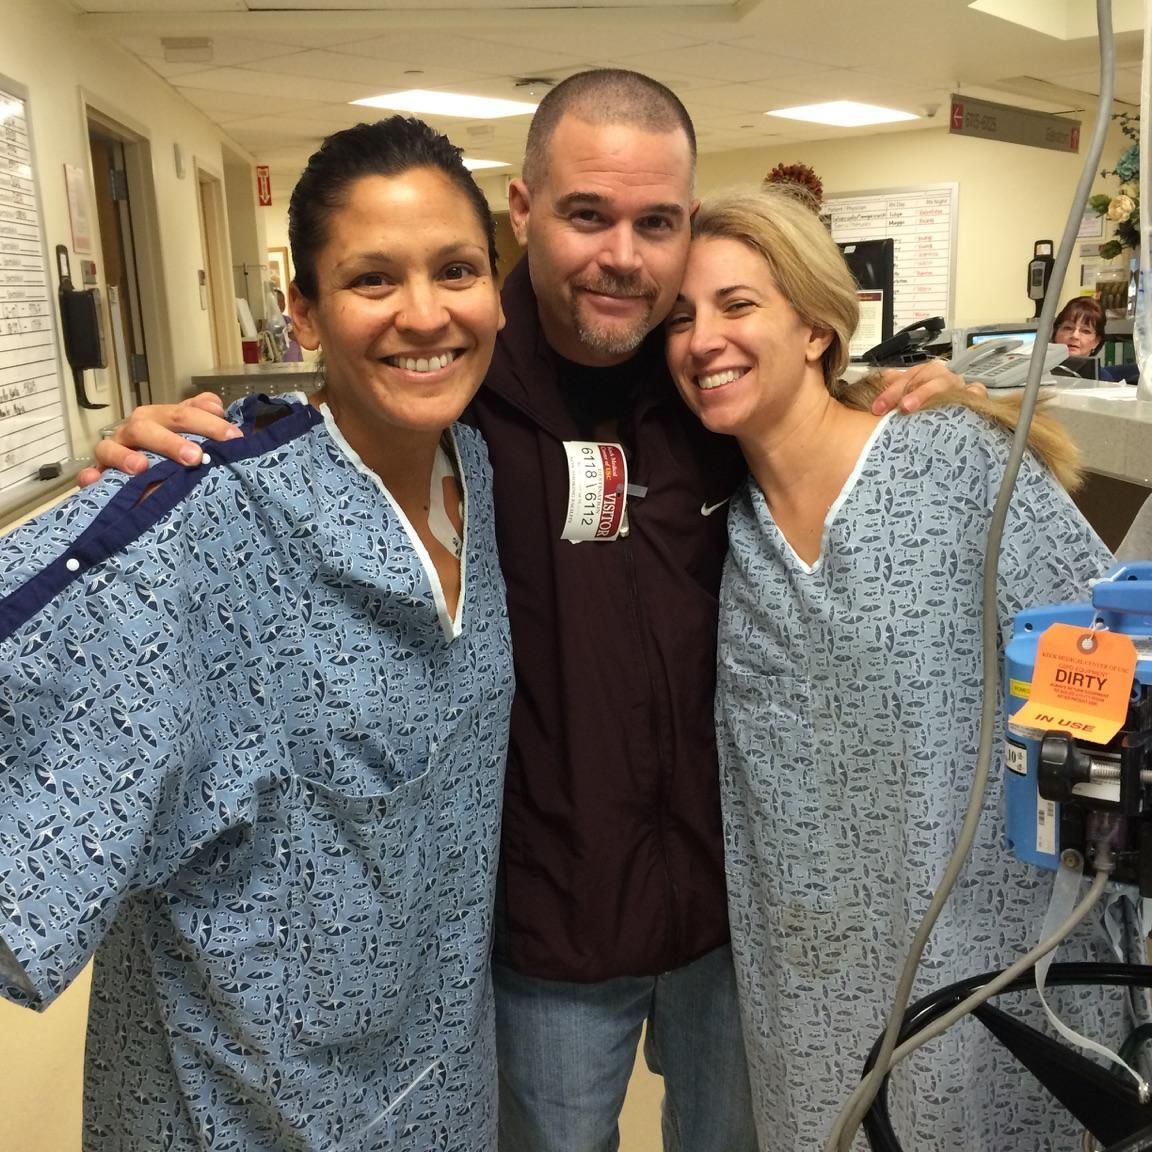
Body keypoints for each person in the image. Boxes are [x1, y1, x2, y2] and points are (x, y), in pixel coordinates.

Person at [81, 70, 968, 1152]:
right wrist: (177, 450)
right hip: (549, 932)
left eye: (658, 224)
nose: (624, 257)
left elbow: (815, 427)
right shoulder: (459, 392)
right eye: (589, 215)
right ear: (526, 212)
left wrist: (923, 397)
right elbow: (338, 430)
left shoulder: (703, 386)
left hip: (735, 915)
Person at [0, 116, 512, 1152]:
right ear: (305, 312)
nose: (425, 313)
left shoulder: (479, 474)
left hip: (438, 1084)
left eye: (456, 269)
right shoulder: (201, 525)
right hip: (231, 1109)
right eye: (373, 279)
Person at [664, 184, 1140, 1150]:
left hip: (987, 959)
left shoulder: (956, 463)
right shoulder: (723, 523)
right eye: (678, 318)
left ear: (816, 327)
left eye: (737, 304)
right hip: (806, 978)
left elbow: (1112, 679)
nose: (702, 338)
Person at [273, 286, 305, 361]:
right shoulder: (272, 322)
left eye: (282, 301)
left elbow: (299, 336)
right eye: (278, 301)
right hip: (284, 360)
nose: (281, 304)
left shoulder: (288, 319)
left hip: (296, 358)